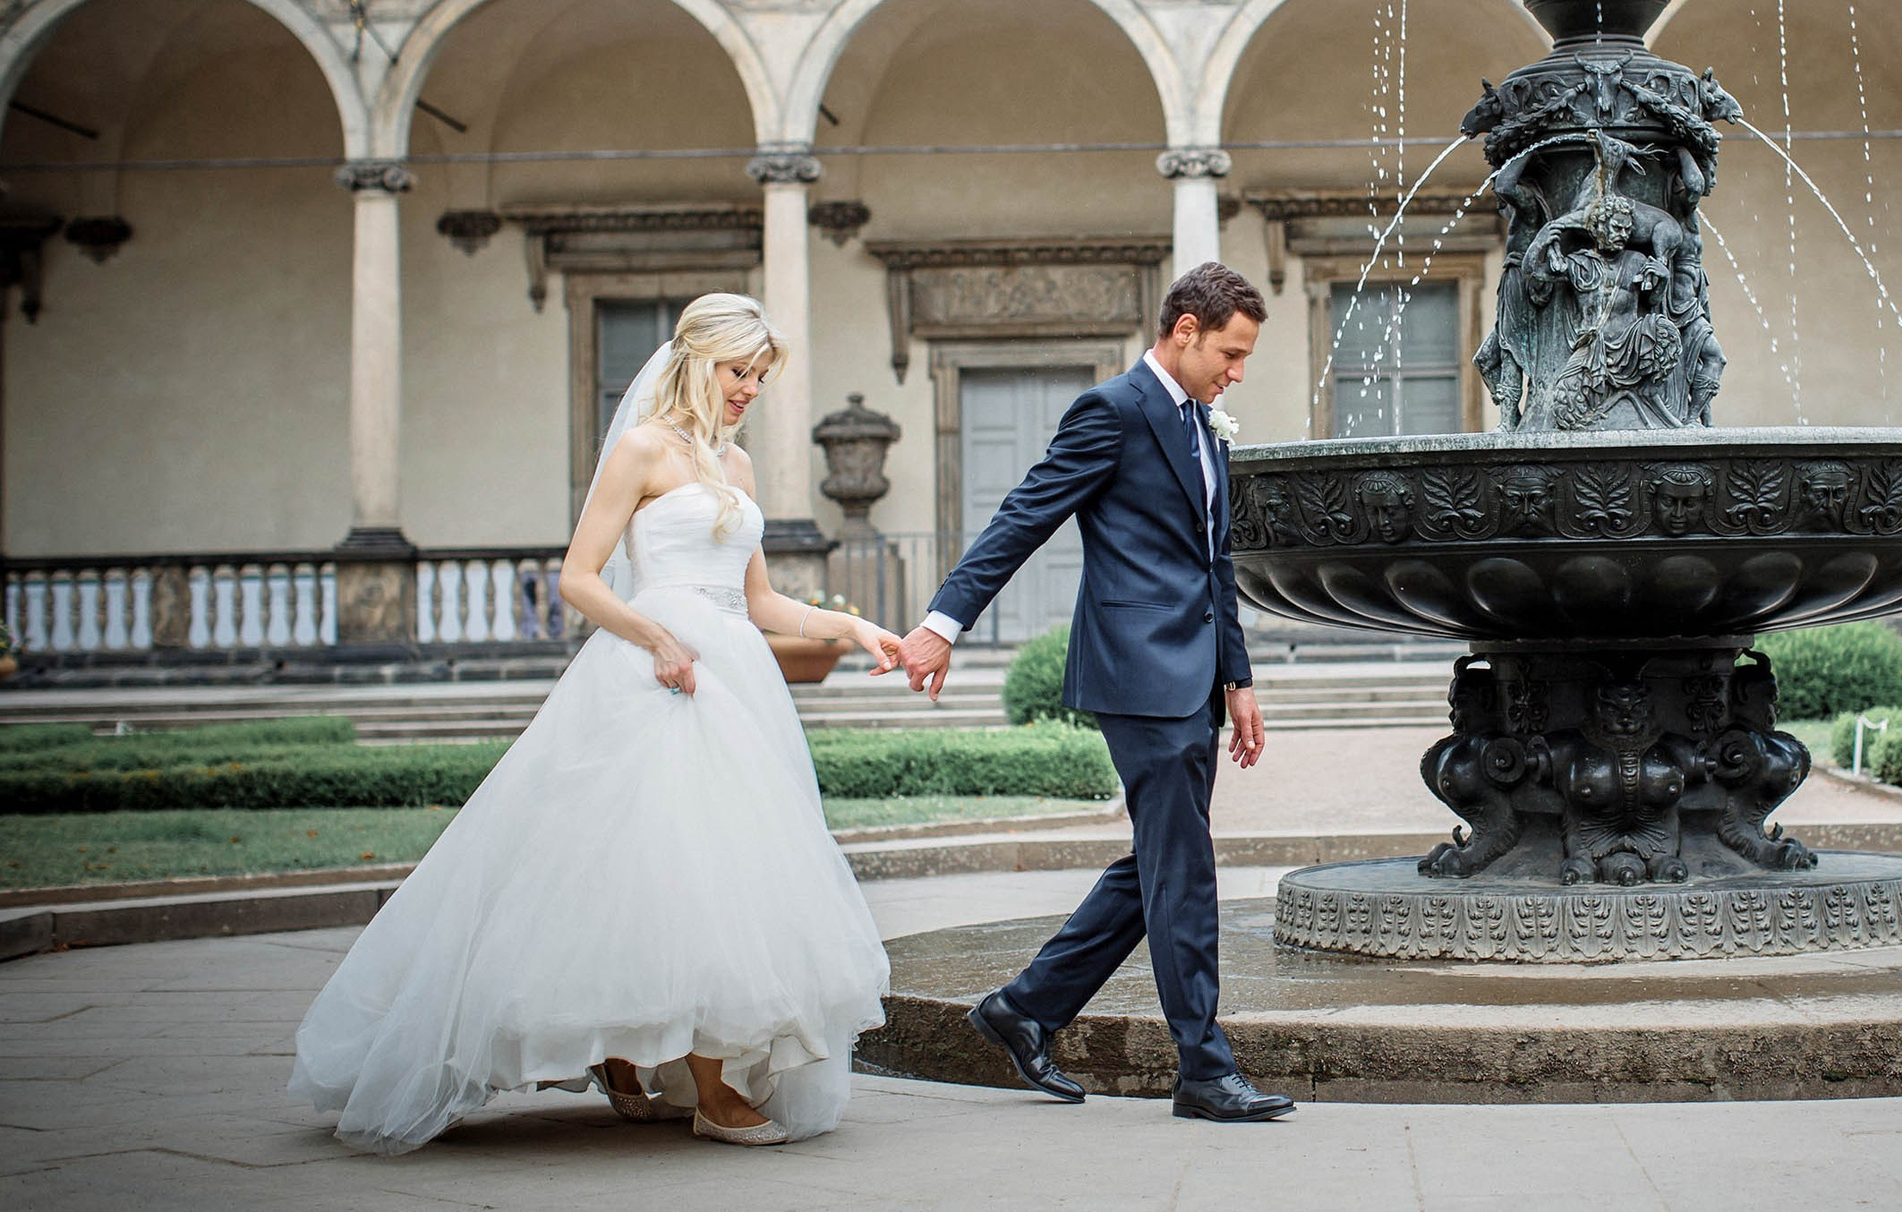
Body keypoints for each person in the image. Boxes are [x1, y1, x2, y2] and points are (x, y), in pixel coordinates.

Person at [289, 293, 900, 1153]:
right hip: (654, 676)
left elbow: (760, 599)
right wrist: (654, 632)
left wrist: (853, 626)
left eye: (761, 377)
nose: (750, 390)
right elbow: (580, 576)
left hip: (734, 680)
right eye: (739, 372)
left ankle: (637, 1061)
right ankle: (709, 1089)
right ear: (696, 360)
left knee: (719, 871)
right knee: (657, 868)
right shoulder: (643, 448)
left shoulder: (741, 467)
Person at [894, 262, 1291, 1122]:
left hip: (1195, 678)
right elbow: (1023, 515)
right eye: (1230, 351)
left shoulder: (1205, 426)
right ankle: (1204, 1067)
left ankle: (1027, 1006)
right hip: (1136, 671)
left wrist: (1240, 678)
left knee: (1164, 859)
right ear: (1184, 329)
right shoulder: (1113, 412)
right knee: (1181, 863)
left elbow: (1214, 563)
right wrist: (943, 623)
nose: (1238, 372)